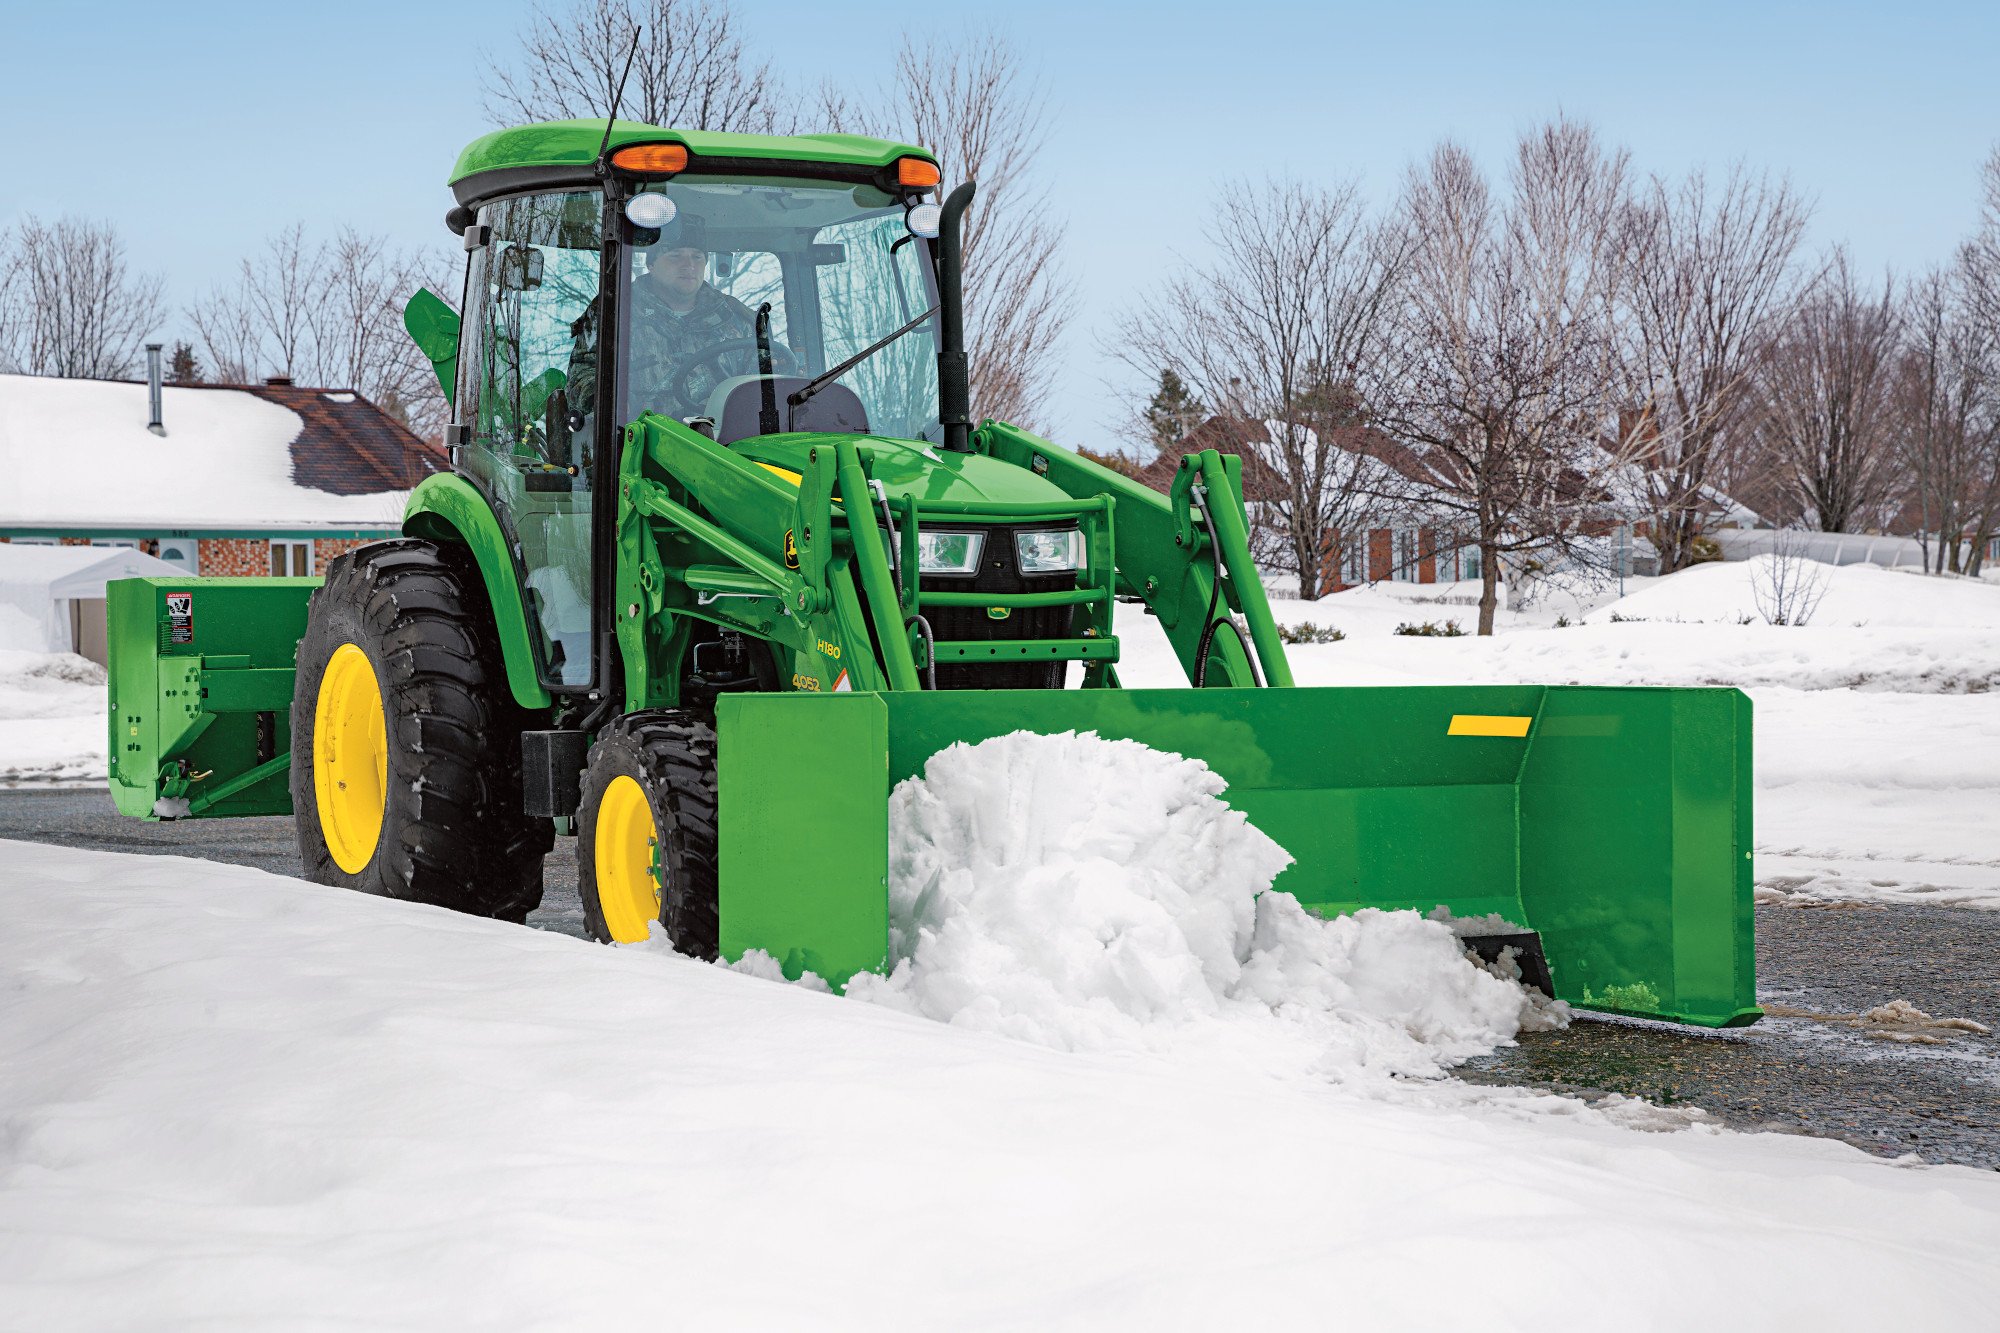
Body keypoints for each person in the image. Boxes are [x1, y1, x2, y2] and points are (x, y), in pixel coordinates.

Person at [567, 215, 783, 423]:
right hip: (636, 447)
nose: (688, 265)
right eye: (675, 255)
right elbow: (581, 377)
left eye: (697, 257)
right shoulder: (615, 311)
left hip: (725, 447)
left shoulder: (735, 319)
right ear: (651, 265)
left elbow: (760, 386)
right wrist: (611, 402)